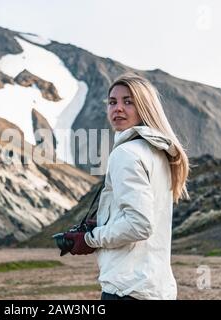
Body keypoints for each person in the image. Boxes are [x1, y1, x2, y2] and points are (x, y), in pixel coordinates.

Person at [64, 74, 190, 300]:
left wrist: (91, 238)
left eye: (128, 101)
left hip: (127, 289)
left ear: (145, 107)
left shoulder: (127, 154)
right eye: (112, 102)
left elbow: (140, 224)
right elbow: (143, 214)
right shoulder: (159, 153)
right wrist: (105, 222)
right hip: (155, 288)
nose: (118, 108)